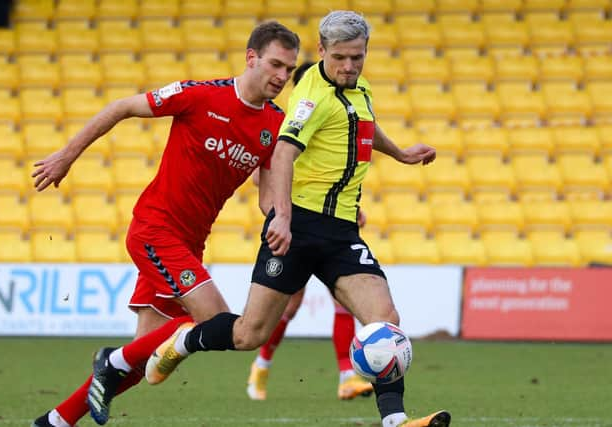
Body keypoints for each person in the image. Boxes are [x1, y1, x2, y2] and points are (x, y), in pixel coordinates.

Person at [145, 11, 451, 427]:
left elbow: (363, 125)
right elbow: (284, 152)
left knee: (386, 320)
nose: (348, 66)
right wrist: (282, 218)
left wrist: (399, 153)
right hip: (299, 228)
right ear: (322, 51)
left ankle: (395, 420)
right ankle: (183, 342)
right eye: (340, 57)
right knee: (248, 334)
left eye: (357, 58)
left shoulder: (360, 90)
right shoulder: (311, 94)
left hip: (341, 232)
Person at [30, 21, 300, 427]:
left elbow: (268, 197)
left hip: (190, 245)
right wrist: (67, 155)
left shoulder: (274, 127)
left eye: (290, 70)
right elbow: (121, 107)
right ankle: (110, 358)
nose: (282, 77)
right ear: (251, 58)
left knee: (141, 359)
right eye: (276, 65)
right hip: (155, 229)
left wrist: (285, 218)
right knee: (213, 323)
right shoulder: (200, 95)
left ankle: (55, 421)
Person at [246, 60, 373, 402]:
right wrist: (280, 215)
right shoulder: (288, 126)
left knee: (342, 300)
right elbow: (262, 177)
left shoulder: (329, 121)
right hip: (295, 228)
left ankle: (347, 375)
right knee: (288, 307)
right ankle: (261, 365)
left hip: (329, 228)